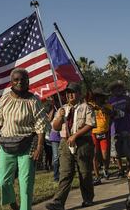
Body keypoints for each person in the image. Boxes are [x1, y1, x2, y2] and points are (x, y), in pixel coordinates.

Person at [0, 68, 50, 210]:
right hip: (6, 145)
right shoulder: (6, 98)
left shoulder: (33, 100)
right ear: (11, 82)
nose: (20, 82)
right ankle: (13, 204)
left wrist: (39, 146)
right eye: (16, 80)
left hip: (27, 145)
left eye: (23, 79)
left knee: (26, 183)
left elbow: (41, 125)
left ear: (28, 81)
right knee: (2, 181)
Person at [46, 82, 96, 210]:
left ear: (79, 94)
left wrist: (75, 136)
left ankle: (88, 198)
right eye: (68, 93)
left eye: (73, 92)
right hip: (65, 142)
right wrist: (60, 117)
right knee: (66, 173)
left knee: (84, 172)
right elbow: (55, 127)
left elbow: (90, 124)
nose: (70, 95)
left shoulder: (86, 107)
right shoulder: (63, 109)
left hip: (83, 142)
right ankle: (58, 202)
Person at [108, 80, 130, 177]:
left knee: (128, 151)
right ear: (112, 90)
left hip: (127, 127)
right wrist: (112, 113)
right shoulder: (109, 101)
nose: (118, 90)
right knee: (116, 152)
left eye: (119, 88)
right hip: (114, 129)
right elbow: (108, 115)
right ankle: (120, 170)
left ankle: (129, 169)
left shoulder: (128, 99)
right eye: (115, 88)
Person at [89, 88, 112, 185]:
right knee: (95, 155)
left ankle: (105, 169)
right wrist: (93, 107)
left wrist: (101, 108)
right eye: (96, 97)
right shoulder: (90, 106)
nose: (98, 99)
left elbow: (110, 112)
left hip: (104, 133)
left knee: (105, 155)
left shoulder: (108, 106)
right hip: (94, 132)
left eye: (100, 97)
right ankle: (97, 176)